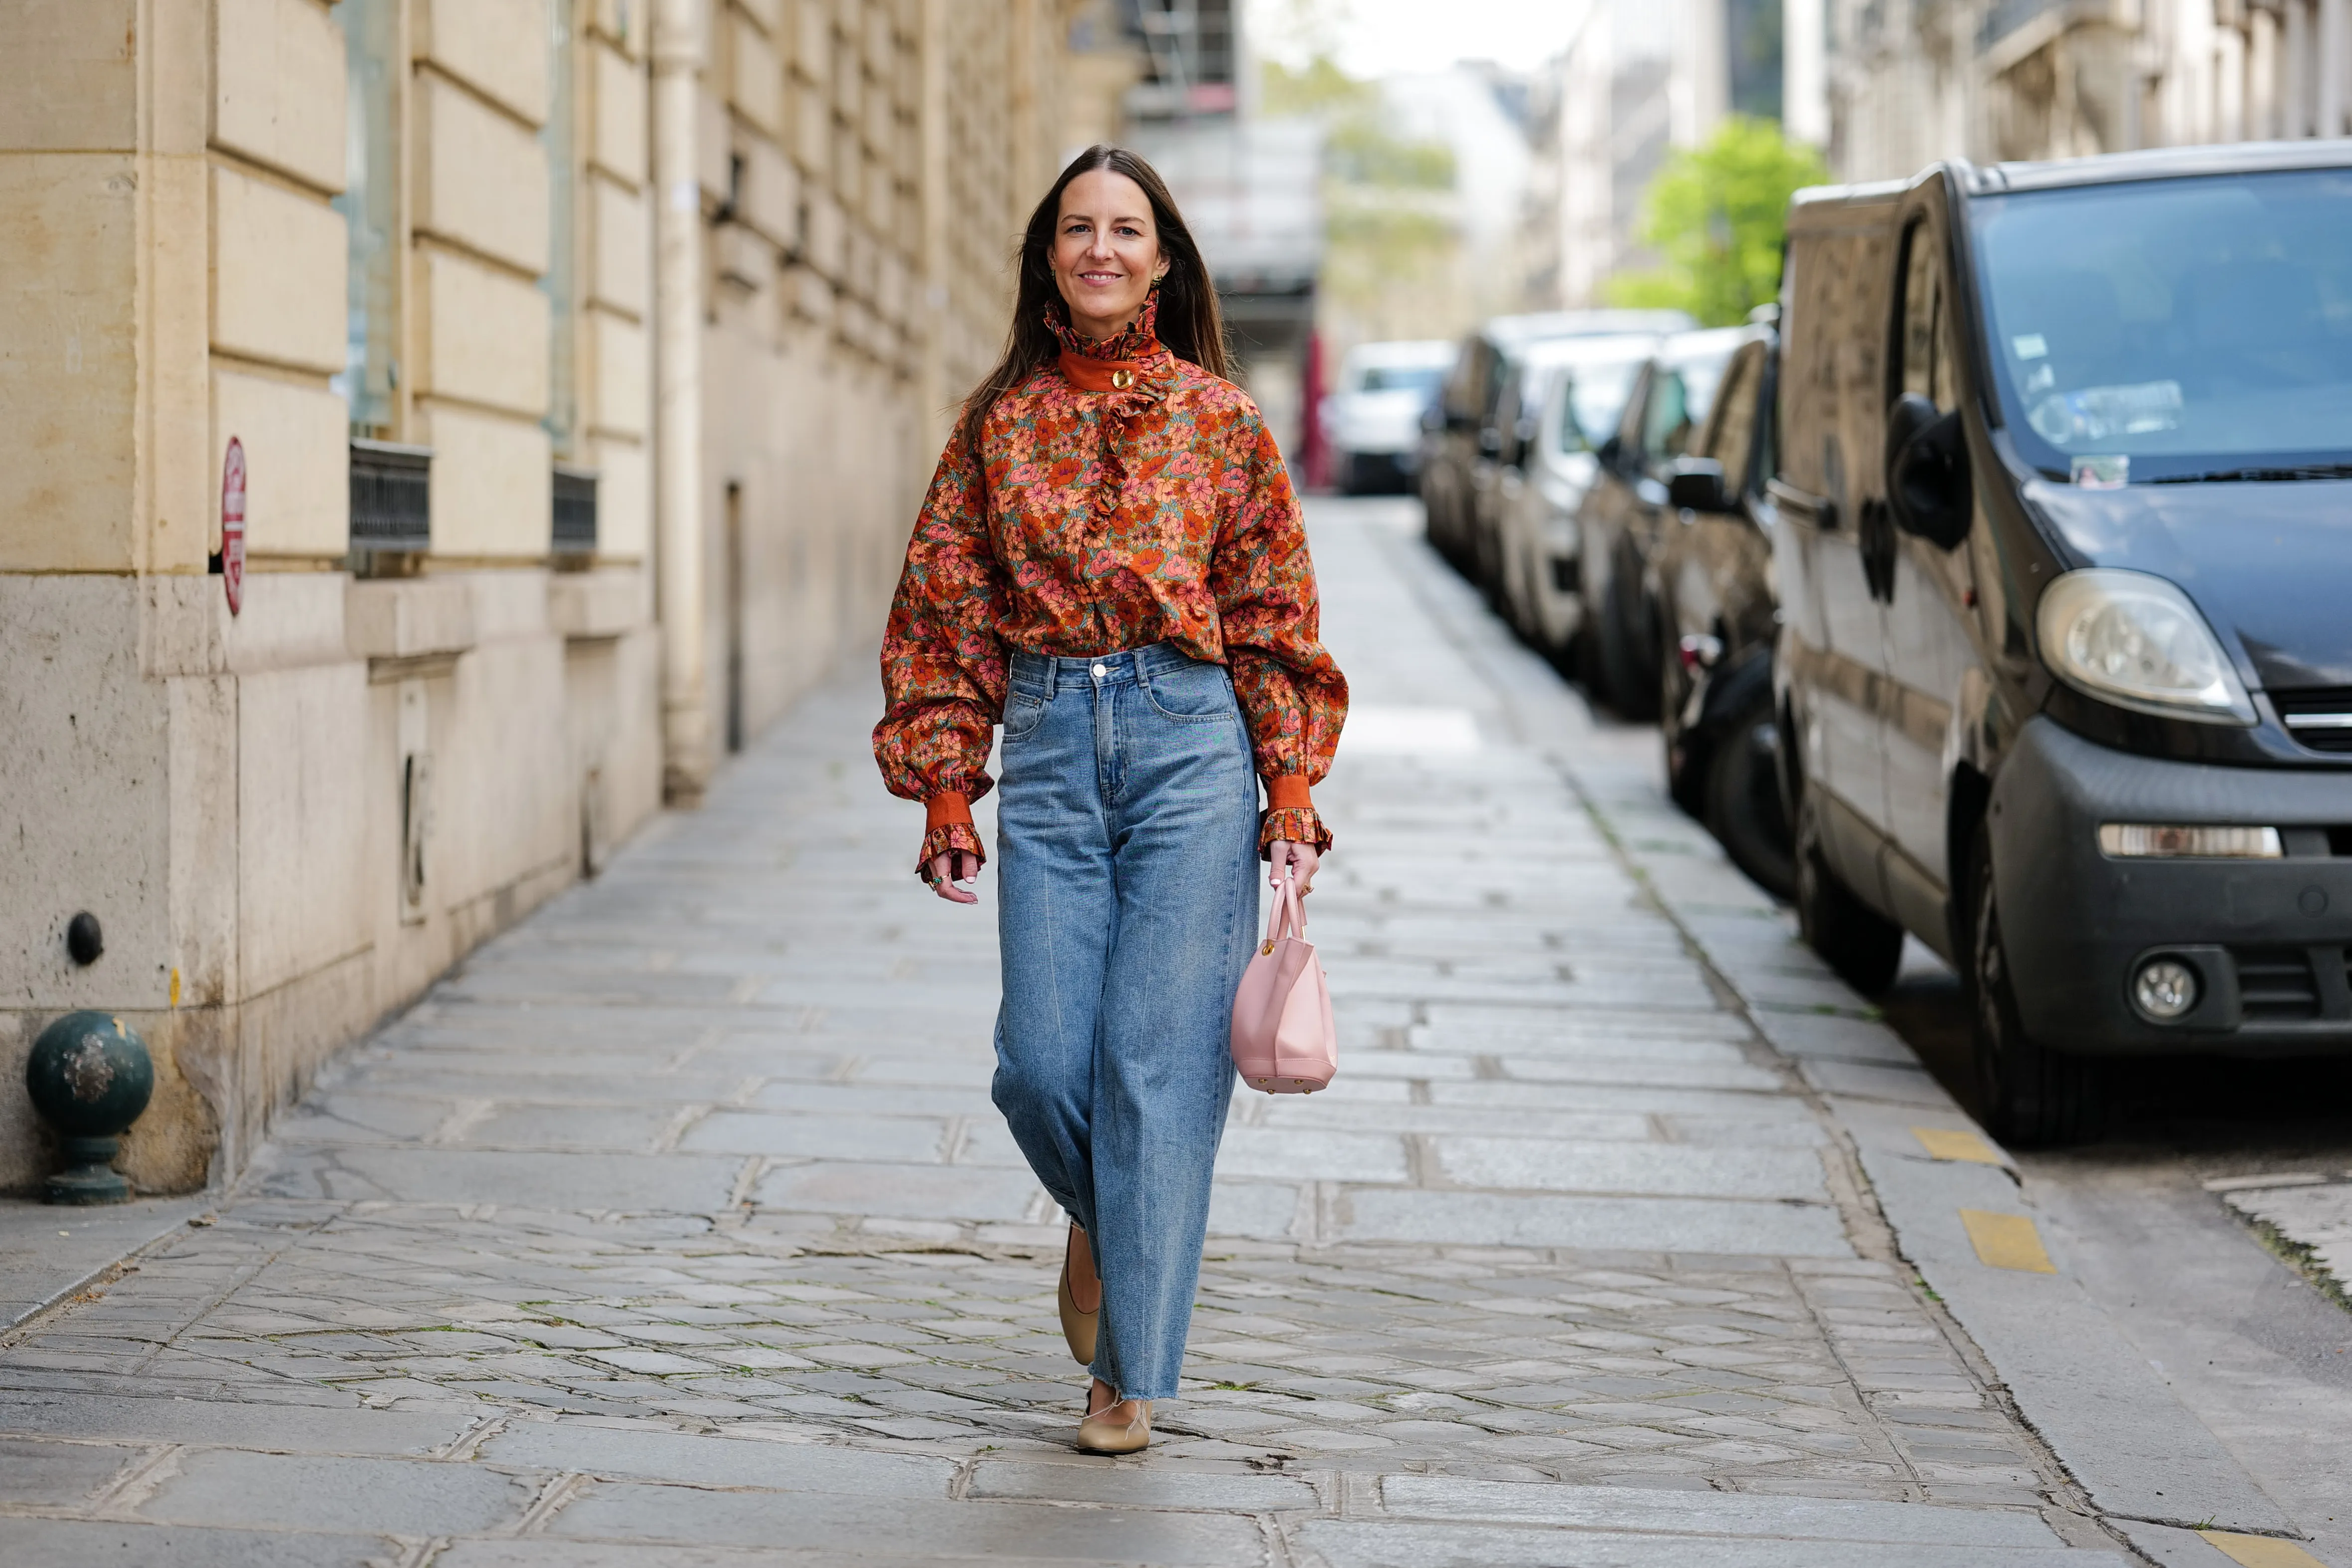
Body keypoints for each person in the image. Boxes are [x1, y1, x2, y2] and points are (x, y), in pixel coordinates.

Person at [872, 145, 1347, 1455]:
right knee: (1037, 1066)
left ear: (1162, 259)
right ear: (1047, 259)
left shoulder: (1222, 422)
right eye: (1077, 228)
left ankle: (1124, 1378)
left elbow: (1274, 617)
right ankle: (1104, 1213)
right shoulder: (996, 427)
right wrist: (945, 787)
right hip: (1045, 750)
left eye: (1125, 229)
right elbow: (943, 612)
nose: (1101, 248)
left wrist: (1288, 789)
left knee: (1155, 1071)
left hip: (1191, 750)